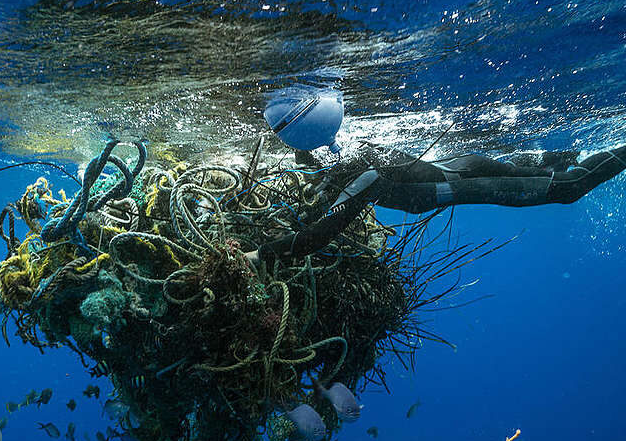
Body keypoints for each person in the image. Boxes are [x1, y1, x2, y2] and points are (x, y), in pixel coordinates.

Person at [248, 143, 626, 265]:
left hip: (467, 181)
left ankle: (596, 155)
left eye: (315, 174)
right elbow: (321, 210)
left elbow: (314, 239)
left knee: (569, 188)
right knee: (523, 171)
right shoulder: (351, 164)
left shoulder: (364, 176)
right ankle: (557, 156)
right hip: (462, 166)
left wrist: (257, 255)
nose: (314, 182)